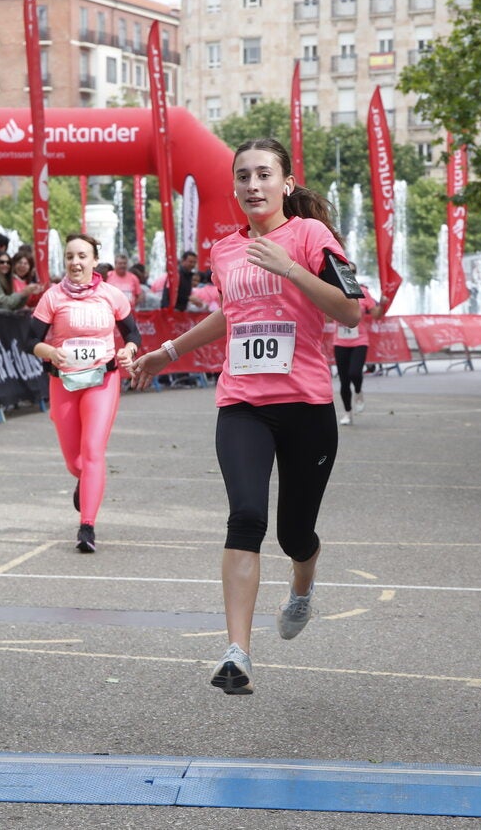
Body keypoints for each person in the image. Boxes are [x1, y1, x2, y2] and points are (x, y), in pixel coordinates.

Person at [129, 137, 361, 695]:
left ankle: (302, 588)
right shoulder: (225, 250)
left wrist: (292, 269)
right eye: (242, 177)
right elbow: (231, 316)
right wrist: (167, 353)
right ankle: (237, 652)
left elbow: (351, 310)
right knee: (246, 517)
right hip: (242, 405)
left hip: (306, 405)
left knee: (294, 533)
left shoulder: (310, 236)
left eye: (263, 175)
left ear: (285, 183)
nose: (252, 186)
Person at [26, 234, 142, 554]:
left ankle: (87, 527)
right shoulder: (52, 297)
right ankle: (86, 481)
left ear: (94, 261)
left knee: (92, 452)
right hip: (63, 382)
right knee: (74, 460)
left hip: (102, 380)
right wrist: (49, 350)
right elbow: (29, 340)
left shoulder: (111, 295)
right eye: (69, 257)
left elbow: (132, 333)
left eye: (82, 256)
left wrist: (128, 350)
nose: (75, 262)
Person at [334, 274, 388, 425]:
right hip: (340, 342)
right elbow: (327, 318)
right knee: (344, 381)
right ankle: (347, 413)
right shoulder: (334, 290)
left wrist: (382, 304)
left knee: (354, 373)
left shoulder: (363, 292)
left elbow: (376, 315)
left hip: (360, 341)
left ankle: (358, 390)